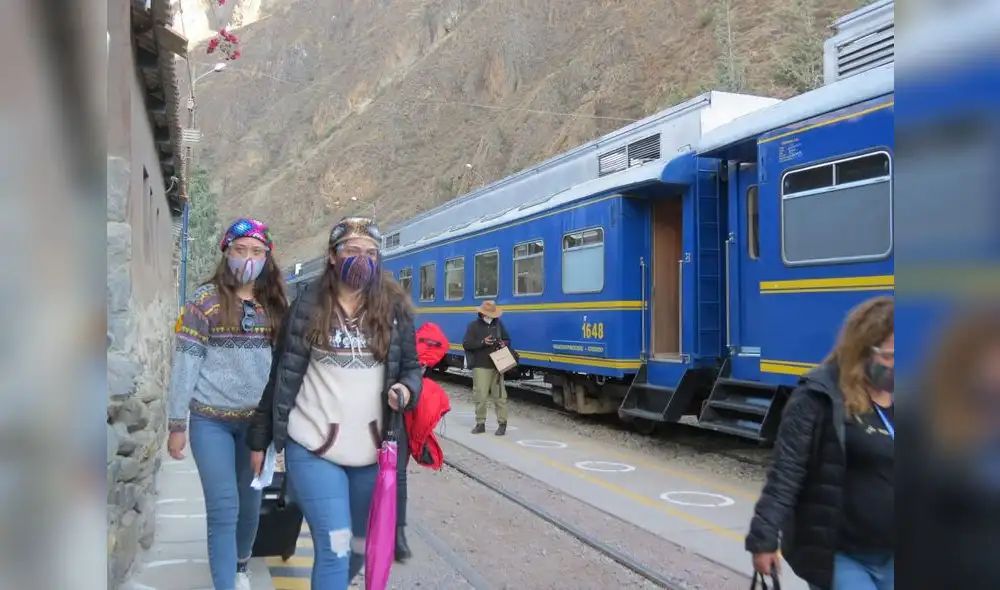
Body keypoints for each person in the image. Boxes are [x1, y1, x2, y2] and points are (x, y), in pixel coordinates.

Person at [246, 216, 422, 590]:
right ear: (332, 256)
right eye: (352, 251)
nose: (362, 260)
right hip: (313, 447)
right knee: (335, 544)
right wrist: (259, 440)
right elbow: (281, 377)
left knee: (359, 547)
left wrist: (405, 392)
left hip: (371, 455)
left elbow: (411, 370)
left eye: (371, 253)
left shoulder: (394, 311)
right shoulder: (307, 306)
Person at [166, 218, 288, 590]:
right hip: (210, 423)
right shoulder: (203, 303)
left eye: (256, 251)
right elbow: (186, 362)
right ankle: (225, 584)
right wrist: (176, 424)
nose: (247, 258)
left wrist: (279, 426)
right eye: (240, 250)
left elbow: (285, 369)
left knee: (249, 507)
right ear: (226, 252)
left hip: (257, 427)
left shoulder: (277, 307)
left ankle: (239, 565)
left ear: (267, 257)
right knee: (223, 507)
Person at [746, 295, 894, 590]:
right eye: (888, 356)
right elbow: (786, 470)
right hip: (841, 555)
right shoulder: (819, 395)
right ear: (862, 349)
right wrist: (763, 538)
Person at [462, 301, 512, 435]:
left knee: (500, 396)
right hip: (480, 365)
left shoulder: (499, 324)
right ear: (482, 313)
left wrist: (503, 343)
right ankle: (480, 423)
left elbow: (508, 339)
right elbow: (466, 344)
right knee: (480, 395)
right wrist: (482, 343)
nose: (490, 317)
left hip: (497, 365)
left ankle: (502, 424)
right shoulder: (473, 326)